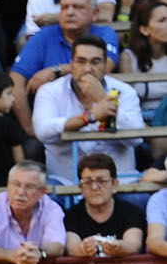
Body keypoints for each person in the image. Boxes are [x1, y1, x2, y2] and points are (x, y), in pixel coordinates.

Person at [11, 0, 120, 135]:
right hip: (54, 126)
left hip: (99, 122)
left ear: (95, 13)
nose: (69, 12)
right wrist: (29, 127)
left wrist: (56, 70)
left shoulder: (105, 34)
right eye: (64, 7)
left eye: (78, 7)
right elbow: (15, 79)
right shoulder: (44, 36)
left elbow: (103, 67)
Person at [32, 35, 143, 184]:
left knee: (139, 195)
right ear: (71, 64)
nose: (88, 69)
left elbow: (137, 138)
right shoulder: (50, 91)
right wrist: (89, 116)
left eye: (95, 62)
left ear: (105, 65)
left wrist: (102, 98)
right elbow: (42, 131)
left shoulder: (125, 91)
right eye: (81, 61)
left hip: (119, 181)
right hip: (65, 181)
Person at [0, 162, 66, 264]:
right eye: (16, 184)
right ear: (8, 185)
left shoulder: (52, 209)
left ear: (43, 192)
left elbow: (57, 245)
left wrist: (39, 252)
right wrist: (14, 256)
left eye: (30, 186)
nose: (21, 192)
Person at [63, 153, 145, 256]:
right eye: (88, 182)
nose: (94, 187)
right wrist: (85, 248)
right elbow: (71, 248)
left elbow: (134, 245)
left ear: (115, 184)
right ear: (81, 187)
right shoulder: (72, 215)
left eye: (101, 181)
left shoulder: (131, 212)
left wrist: (118, 247)